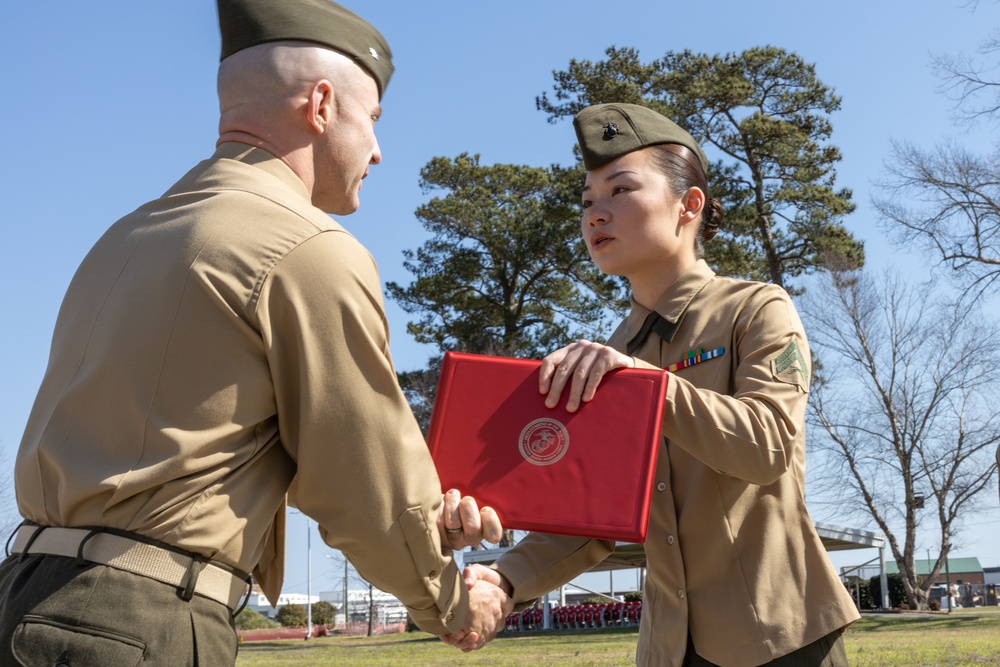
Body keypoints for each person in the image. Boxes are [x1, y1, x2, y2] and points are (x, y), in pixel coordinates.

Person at [0, 1, 509, 665]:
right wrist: (452, 601)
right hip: (135, 621)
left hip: (25, 593)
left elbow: (208, 447)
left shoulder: (129, 234)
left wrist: (427, 514)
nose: (379, 151)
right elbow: (360, 486)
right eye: (374, 120)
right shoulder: (307, 247)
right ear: (322, 105)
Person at [448, 103, 861, 665]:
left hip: (783, 638)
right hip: (669, 647)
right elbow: (592, 518)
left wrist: (649, 388)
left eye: (620, 190)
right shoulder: (609, 357)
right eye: (588, 200)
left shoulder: (755, 309)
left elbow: (768, 447)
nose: (596, 213)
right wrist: (505, 580)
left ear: (689, 205)